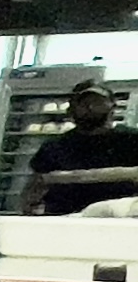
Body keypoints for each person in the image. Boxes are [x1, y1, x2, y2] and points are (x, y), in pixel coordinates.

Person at [28, 83, 138, 214]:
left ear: (112, 107)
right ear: (71, 109)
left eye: (97, 102)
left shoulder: (132, 140)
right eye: (83, 103)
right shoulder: (54, 147)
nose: (90, 108)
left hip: (120, 221)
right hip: (63, 220)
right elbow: (35, 189)